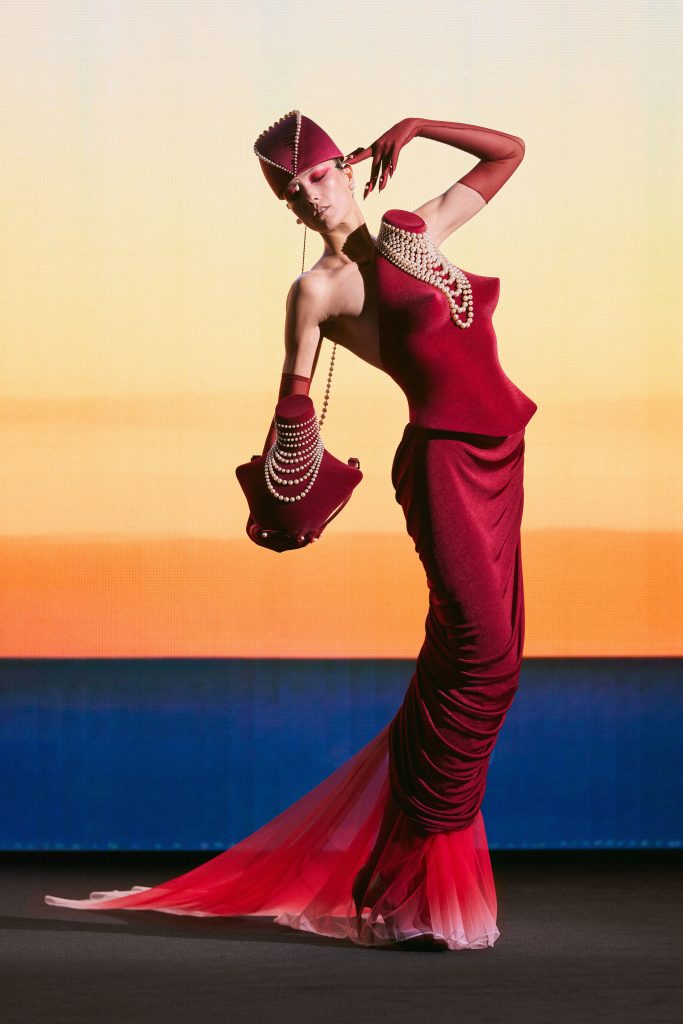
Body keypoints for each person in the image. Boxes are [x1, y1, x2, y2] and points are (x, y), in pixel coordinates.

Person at [45, 111, 537, 952]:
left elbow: (509, 153)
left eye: (315, 175)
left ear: (347, 168)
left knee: (479, 661)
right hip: (444, 468)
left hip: (503, 452)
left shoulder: (418, 230)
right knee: (480, 657)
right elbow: (292, 404)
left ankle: (409, 890)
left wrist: (416, 126)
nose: (307, 195)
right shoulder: (316, 291)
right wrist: (280, 494)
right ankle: (411, 885)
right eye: (290, 190)